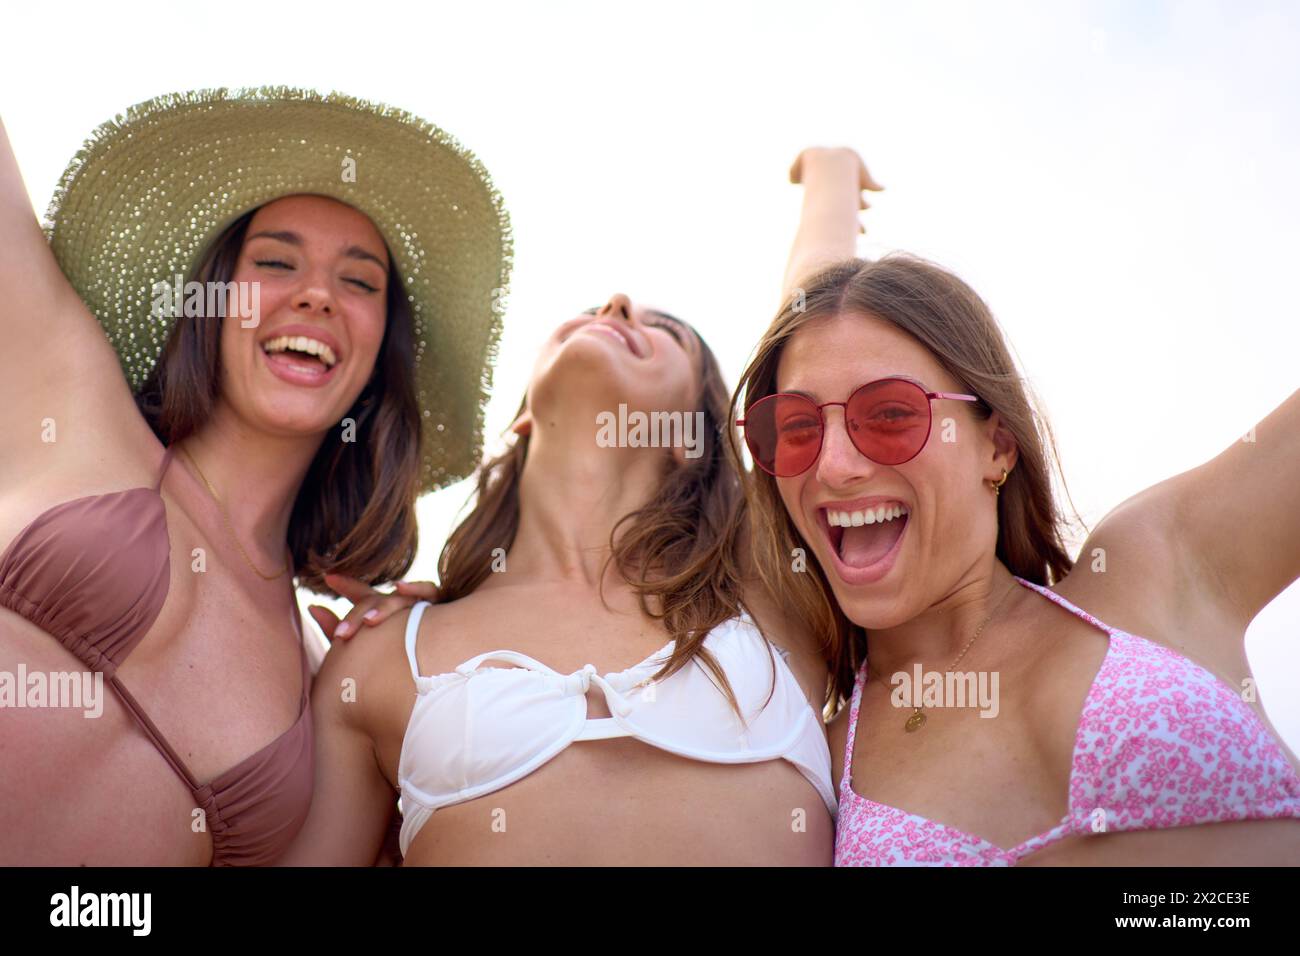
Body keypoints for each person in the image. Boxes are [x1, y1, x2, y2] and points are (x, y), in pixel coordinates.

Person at [733, 147, 1300, 865]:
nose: (836, 465)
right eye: (798, 428)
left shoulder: (1157, 566)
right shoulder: (808, 753)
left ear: (996, 447)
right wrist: (828, 186)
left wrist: (832, 179)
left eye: (891, 415)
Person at [0, 88, 510, 865]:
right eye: (275, 262)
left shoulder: (327, 681)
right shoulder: (70, 402)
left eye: (361, 282)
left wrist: (437, 646)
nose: (316, 295)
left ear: (380, 358)